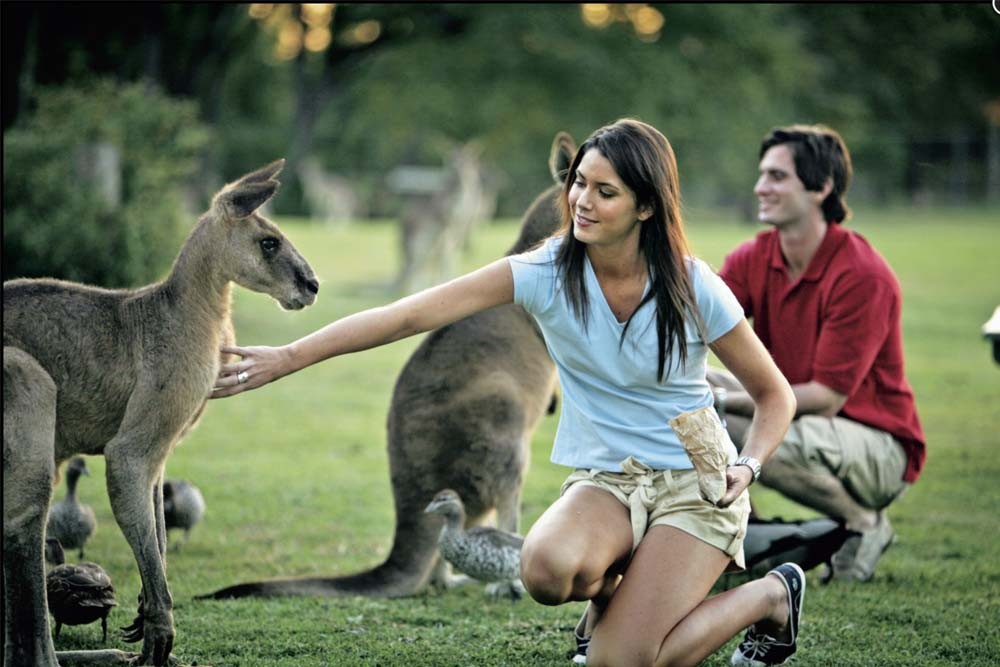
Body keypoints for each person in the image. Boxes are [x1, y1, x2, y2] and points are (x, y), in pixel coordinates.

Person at [212, 119, 802, 667]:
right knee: (542, 570)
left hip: (694, 484)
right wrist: (290, 356)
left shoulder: (694, 285)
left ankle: (772, 596)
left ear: (646, 205)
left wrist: (748, 465)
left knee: (617, 663)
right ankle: (622, 602)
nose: (580, 201)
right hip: (611, 481)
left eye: (605, 192)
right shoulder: (547, 271)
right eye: (578, 184)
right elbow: (406, 316)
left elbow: (775, 396)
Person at [710, 124, 926, 584]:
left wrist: (723, 400)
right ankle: (738, 535)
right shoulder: (754, 257)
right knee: (693, 396)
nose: (759, 187)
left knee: (739, 425)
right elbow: (699, 326)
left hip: (878, 444)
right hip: (802, 415)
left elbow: (826, 397)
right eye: (761, 175)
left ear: (821, 187)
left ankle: (863, 523)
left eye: (776, 176)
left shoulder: (862, 274)